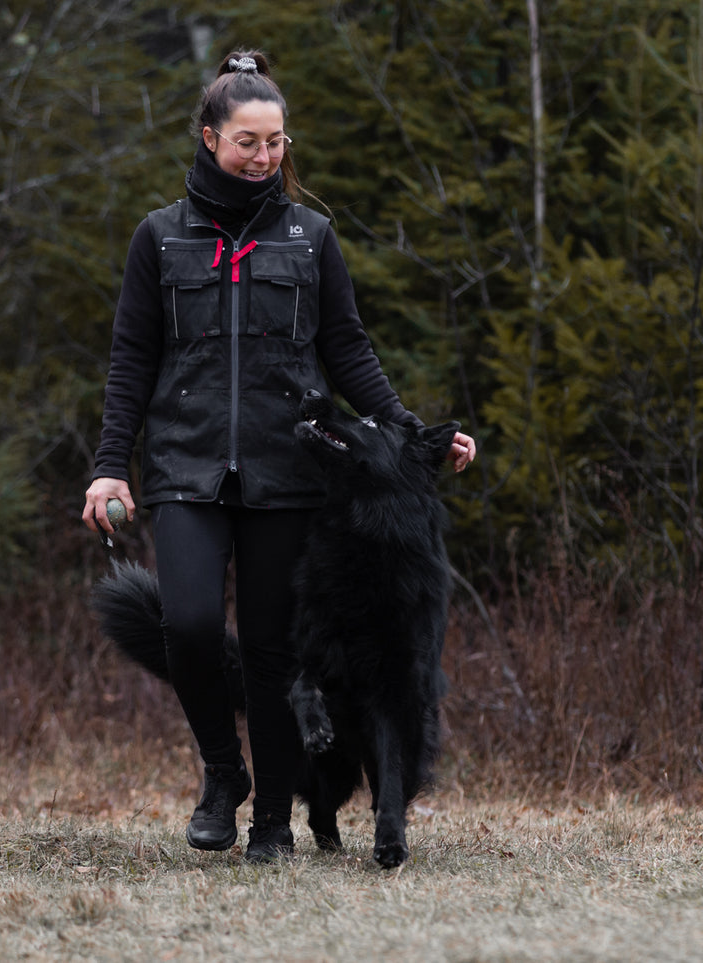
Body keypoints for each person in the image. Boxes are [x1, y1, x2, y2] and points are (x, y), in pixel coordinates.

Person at [81, 49, 476, 863]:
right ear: (208, 138)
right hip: (186, 464)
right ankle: (224, 775)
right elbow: (130, 361)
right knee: (188, 623)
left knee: (269, 651)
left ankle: (271, 825)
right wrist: (108, 463)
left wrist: (410, 435)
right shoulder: (159, 237)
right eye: (247, 143)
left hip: (285, 469)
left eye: (276, 143)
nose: (264, 158)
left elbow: (347, 348)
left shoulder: (310, 236)